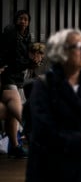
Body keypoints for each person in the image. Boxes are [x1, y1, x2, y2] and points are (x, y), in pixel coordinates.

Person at [25, 29, 81, 182]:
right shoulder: (45, 86)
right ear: (62, 52)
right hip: (54, 167)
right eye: (77, 46)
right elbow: (44, 131)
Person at [0, 10, 39, 158]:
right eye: (20, 19)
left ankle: (15, 147)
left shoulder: (26, 37)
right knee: (19, 111)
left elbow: (24, 60)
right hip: (8, 76)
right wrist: (28, 63)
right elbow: (13, 61)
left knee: (12, 112)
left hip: (17, 78)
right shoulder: (11, 34)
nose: (23, 21)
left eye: (26, 20)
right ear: (16, 20)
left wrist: (34, 62)